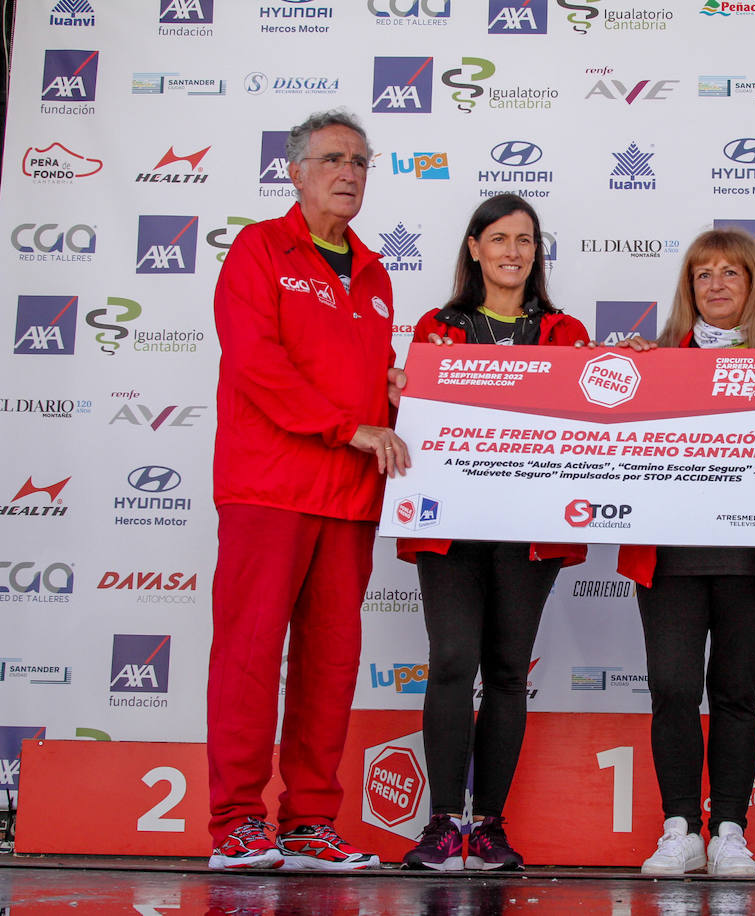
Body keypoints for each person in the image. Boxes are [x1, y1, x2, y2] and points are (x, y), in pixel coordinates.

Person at [207, 109, 409, 871]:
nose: (349, 172)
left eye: (361, 160)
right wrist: (346, 427)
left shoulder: (377, 270)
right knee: (250, 656)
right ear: (293, 172)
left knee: (330, 664)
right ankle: (234, 822)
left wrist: (395, 399)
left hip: (349, 496)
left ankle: (308, 823)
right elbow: (257, 365)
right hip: (270, 486)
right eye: (332, 158)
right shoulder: (261, 248)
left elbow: (364, 385)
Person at [613, 229, 755, 876]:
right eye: (703, 274)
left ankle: (731, 829)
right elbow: (609, 430)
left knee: (733, 694)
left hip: (754, 559)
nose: (717, 284)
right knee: (672, 689)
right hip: (668, 559)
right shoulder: (656, 359)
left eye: (732, 272)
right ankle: (679, 828)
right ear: (689, 288)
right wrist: (623, 370)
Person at [398, 193, 589, 872]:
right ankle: (444, 822)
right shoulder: (435, 327)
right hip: (451, 526)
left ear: (538, 254)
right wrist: (399, 395)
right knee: (452, 660)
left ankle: (493, 829)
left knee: (507, 673)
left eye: (526, 241)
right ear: (474, 248)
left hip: (529, 530)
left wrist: (630, 372)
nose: (513, 252)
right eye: (500, 238)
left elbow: (597, 416)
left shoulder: (566, 335)